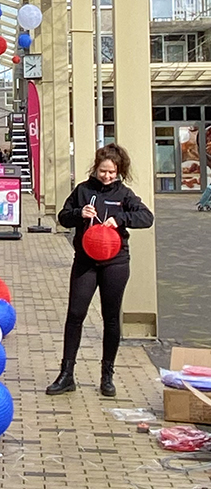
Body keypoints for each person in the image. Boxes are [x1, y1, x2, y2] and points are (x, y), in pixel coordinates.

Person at [46, 143, 154, 398]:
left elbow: (146, 217)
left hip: (115, 262)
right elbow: (63, 216)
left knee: (111, 317)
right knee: (75, 314)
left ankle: (107, 375)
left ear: (119, 172)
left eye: (112, 172)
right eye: (103, 171)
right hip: (85, 261)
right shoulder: (83, 190)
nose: (106, 176)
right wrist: (79, 214)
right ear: (95, 168)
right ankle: (66, 374)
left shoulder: (125, 194)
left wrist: (120, 219)